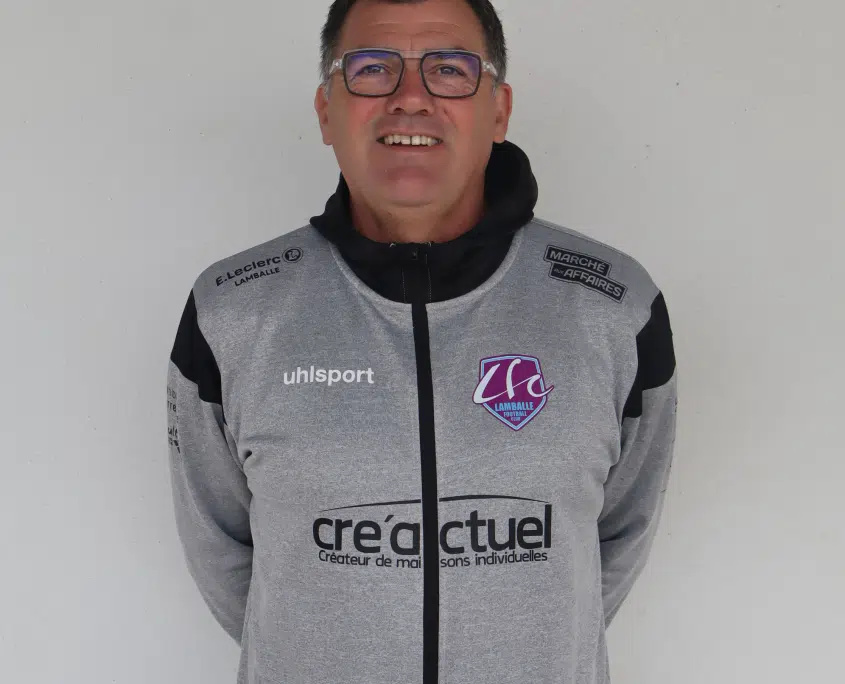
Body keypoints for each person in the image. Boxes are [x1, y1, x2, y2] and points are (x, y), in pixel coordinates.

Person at [165, 0, 678, 682]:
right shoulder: (231, 312)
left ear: (499, 110)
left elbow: (612, 542)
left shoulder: (614, 307)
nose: (410, 97)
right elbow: (224, 551)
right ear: (326, 110)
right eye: (372, 68)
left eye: (450, 69)